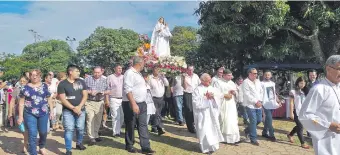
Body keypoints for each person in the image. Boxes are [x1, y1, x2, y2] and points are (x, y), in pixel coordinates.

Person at [299, 55, 340, 155]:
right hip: (326, 140)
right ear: (328, 69)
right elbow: (305, 115)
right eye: (339, 69)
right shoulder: (319, 89)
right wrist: (328, 125)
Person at [122, 56, 155, 154]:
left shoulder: (138, 73)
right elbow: (127, 89)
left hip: (142, 103)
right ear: (139, 63)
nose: (144, 65)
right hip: (131, 103)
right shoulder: (129, 73)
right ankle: (129, 145)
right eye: (143, 63)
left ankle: (145, 147)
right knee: (131, 124)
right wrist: (133, 104)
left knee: (143, 125)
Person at [17, 69, 54, 155]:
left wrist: (52, 111)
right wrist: (20, 116)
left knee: (43, 132)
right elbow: (21, 103)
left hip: (43, 113)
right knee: (32, 133)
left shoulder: (45, 86)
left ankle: (42, 146)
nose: (34, 76)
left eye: (37, 75)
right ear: (29, 76)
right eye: (32, 75)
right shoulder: (24, 88)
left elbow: (49, 99)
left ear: (40, 76)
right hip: (29, 113)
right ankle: (33, 152)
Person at [57, 65, 88, 155]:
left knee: (80, 128)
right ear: (70, 72)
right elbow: (63, 99)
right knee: (69, 129)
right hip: (68, 111)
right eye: (77, 71)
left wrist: (79, 107)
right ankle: (68, 149)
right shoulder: (62, 84)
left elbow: (85, 95)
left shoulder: (81, 82)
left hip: (81, 109)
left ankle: (79, 143)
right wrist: (73, 108)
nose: (79, 73)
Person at [193, 73, 224, 154]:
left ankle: (213, 146)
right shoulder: (197, 90)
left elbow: (219, 97)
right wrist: (206, 97)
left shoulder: (212, 88)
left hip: (212, 113)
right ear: (202, 81)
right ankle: (205, 148)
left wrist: (213, 97)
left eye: (210, 81)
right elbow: (196, 103)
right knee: (204, 130)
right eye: (208, 81)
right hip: (202, 114)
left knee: (213, 129)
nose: (210, 82)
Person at [213, 69, 240, 144]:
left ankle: (234, 138)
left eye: (231, 75)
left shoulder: (232, 83)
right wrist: (225, 95)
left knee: (232, 120)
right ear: (223, 75)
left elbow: (236, 92)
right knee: (224, 119)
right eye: (228, 75)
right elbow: (215, 93)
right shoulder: (218, 82)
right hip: (223, 103)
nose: (230, 77)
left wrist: (234, 93)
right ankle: (223, 138)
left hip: (231, 104)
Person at [84, 66, 109, 145]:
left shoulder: (105, 80)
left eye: (98, 72)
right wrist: (90, 92)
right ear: (93, 72)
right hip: (90, 102)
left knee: (98, 120)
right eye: (95, 72)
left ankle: (96, 135)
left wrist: (102, 92)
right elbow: (82, 89)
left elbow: (109, 90)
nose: (97, 74)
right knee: (90, 118)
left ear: (101, 72)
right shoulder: (87, 79)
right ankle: (91, 137)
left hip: (100, 102)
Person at [286, 77, 310, 149]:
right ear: (297, 83)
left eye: (304, 83)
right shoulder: (293, 91)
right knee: (300, 127)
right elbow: (291, 103)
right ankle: (303, 143)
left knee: (299, 126)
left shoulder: (306, 91)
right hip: (296, 112)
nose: (302, 84)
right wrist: (291, 113)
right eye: (301, 83)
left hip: (304, 112)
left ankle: (290, 135)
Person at [242, 68, 263, 145]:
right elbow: (247, 95)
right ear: (249, 74)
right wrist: (255, 101)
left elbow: (261, 91)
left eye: (256, 73)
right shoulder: (245, 82)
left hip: (259, 104)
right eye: (254, 73)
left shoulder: (258, 81)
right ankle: (253, 138)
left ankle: (247, 130)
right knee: (253, 121)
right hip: (250, 105)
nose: (256, 75)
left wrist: (260, 101)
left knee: (259, 120)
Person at [8, 76, 29, 153]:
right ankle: (26, 141)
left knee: (28, 128)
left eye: (24, 81)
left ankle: (26, 143)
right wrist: (10, 113)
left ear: (27, 81)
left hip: (28, 112)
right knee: (22, 128)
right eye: (21, 81)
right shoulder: (16, 90)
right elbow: (12, 101)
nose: (22, 82)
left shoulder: (29, 89)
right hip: (18, 111)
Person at [261, 71, 281, 142]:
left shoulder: (273, 83)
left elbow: (274, 93)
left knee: (268, 119)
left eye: (268, 75)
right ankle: (272, 135)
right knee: (269, 118)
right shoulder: (261, 83)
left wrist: (278, 100)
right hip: (265, 103)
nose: (267, 76)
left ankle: (264, 132)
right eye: (266, 74)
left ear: (271, 76)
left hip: (272, 103)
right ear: (263, 75)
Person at [148, 66, 169, 135]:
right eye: (156, 69)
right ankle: (159, 127)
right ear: (153, 70)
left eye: (158, 70)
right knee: (156, 113)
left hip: (161, 97)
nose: (157, 71)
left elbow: (167, 84)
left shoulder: (161, 78)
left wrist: (164, 77)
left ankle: (154, 127)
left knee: (158, 113)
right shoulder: (150, 78)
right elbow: (147, 87)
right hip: (153, 98)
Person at [107, 64, 124, 137]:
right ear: (115, 69)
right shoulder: (110, 77)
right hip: (113, 98)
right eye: (119, 68)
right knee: (115, 116)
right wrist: (107, 100)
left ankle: (118, 129)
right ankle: (116, 132)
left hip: (123, 99)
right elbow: (107, 89)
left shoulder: (124, 77)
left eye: (121, 68)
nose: (120, 69)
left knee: (122, 116)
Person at [182, 65, 201, 133]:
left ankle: (194, 125)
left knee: (195, 109)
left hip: (195, 94)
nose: (190, 71)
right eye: (189, 70)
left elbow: (199, 85)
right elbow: (184, 87)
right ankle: (190, 127)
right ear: (187, 70)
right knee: (189, 110)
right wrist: (184, 78)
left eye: (192, 70)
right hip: (187, 94)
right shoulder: (184, 76)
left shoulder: (196, 76)